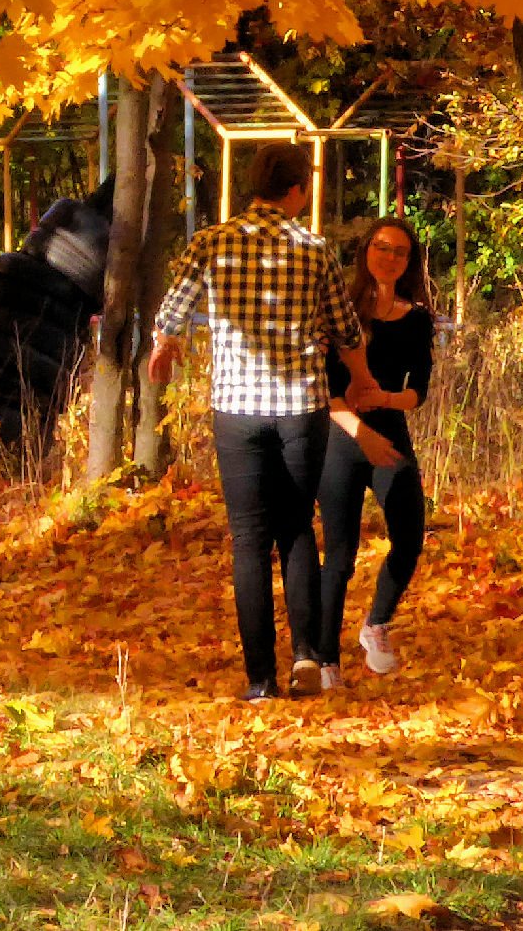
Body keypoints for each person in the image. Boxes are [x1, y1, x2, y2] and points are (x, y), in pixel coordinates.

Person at [147, 141, 399, 701]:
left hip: (237, 412)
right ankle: (306, 656)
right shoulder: (312, 251)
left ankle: (260, 680)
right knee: (295, 530)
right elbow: (344, 329)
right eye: (305, 185)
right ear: (293, 190)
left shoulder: (210, 243)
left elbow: (172, 311)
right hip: (299, 410)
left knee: (247, 542)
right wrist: (360, 379)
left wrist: (163, 347)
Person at [315, 216, 434, 685]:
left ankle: (376, 625)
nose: (389, 258)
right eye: (382, 248)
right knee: (340, 554)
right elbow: (324, 387)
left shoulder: (417, 317)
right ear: (367, 251)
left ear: (409, 263)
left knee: (409, 534)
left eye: (399, 252)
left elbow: (418, 390)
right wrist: (355, 422)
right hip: (341, 435)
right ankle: (326, 659)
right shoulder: (340, 309)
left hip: (390, 432)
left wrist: (386, 399)